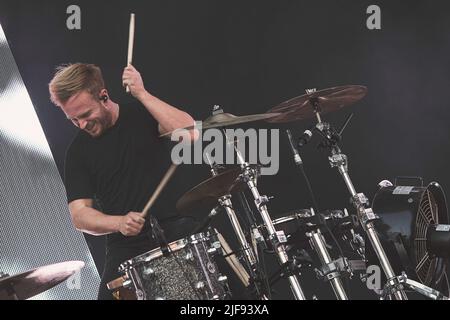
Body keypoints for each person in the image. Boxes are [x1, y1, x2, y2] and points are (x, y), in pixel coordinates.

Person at [49, 63, 198, 299]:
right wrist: (119, 223)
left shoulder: (141, 113)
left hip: (174, 230)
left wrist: (142, 93)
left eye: (86, 115)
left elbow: (190, 133)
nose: (82, 125)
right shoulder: (78, 152)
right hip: (125, 246)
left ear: (104, 96)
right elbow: (80, 216)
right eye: (73, 120)